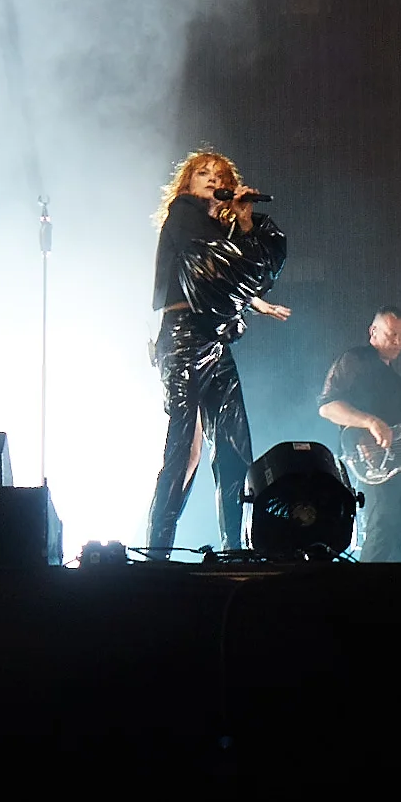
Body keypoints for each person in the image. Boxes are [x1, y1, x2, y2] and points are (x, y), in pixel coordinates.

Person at [147, 150, 289, 556]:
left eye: (218, 174)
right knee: (185, 449)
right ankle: (157, 550)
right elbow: (219, 268)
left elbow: (236, 274)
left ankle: (236, 546)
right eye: (202, 173)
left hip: (215, 340)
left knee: (232, 443)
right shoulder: (183, 214)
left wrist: (244, 220)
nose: (211, 179)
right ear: (188, 183)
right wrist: (253, 294)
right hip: (183, 336)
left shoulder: (216, 230)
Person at [318, 307, 401, 563]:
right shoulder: (355, 361)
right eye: (392, 334)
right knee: (380, 535)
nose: (397, 342)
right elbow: (328, 407)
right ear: (373, 331)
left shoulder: (399, 383)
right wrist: (370, 422)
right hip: (373, 466)